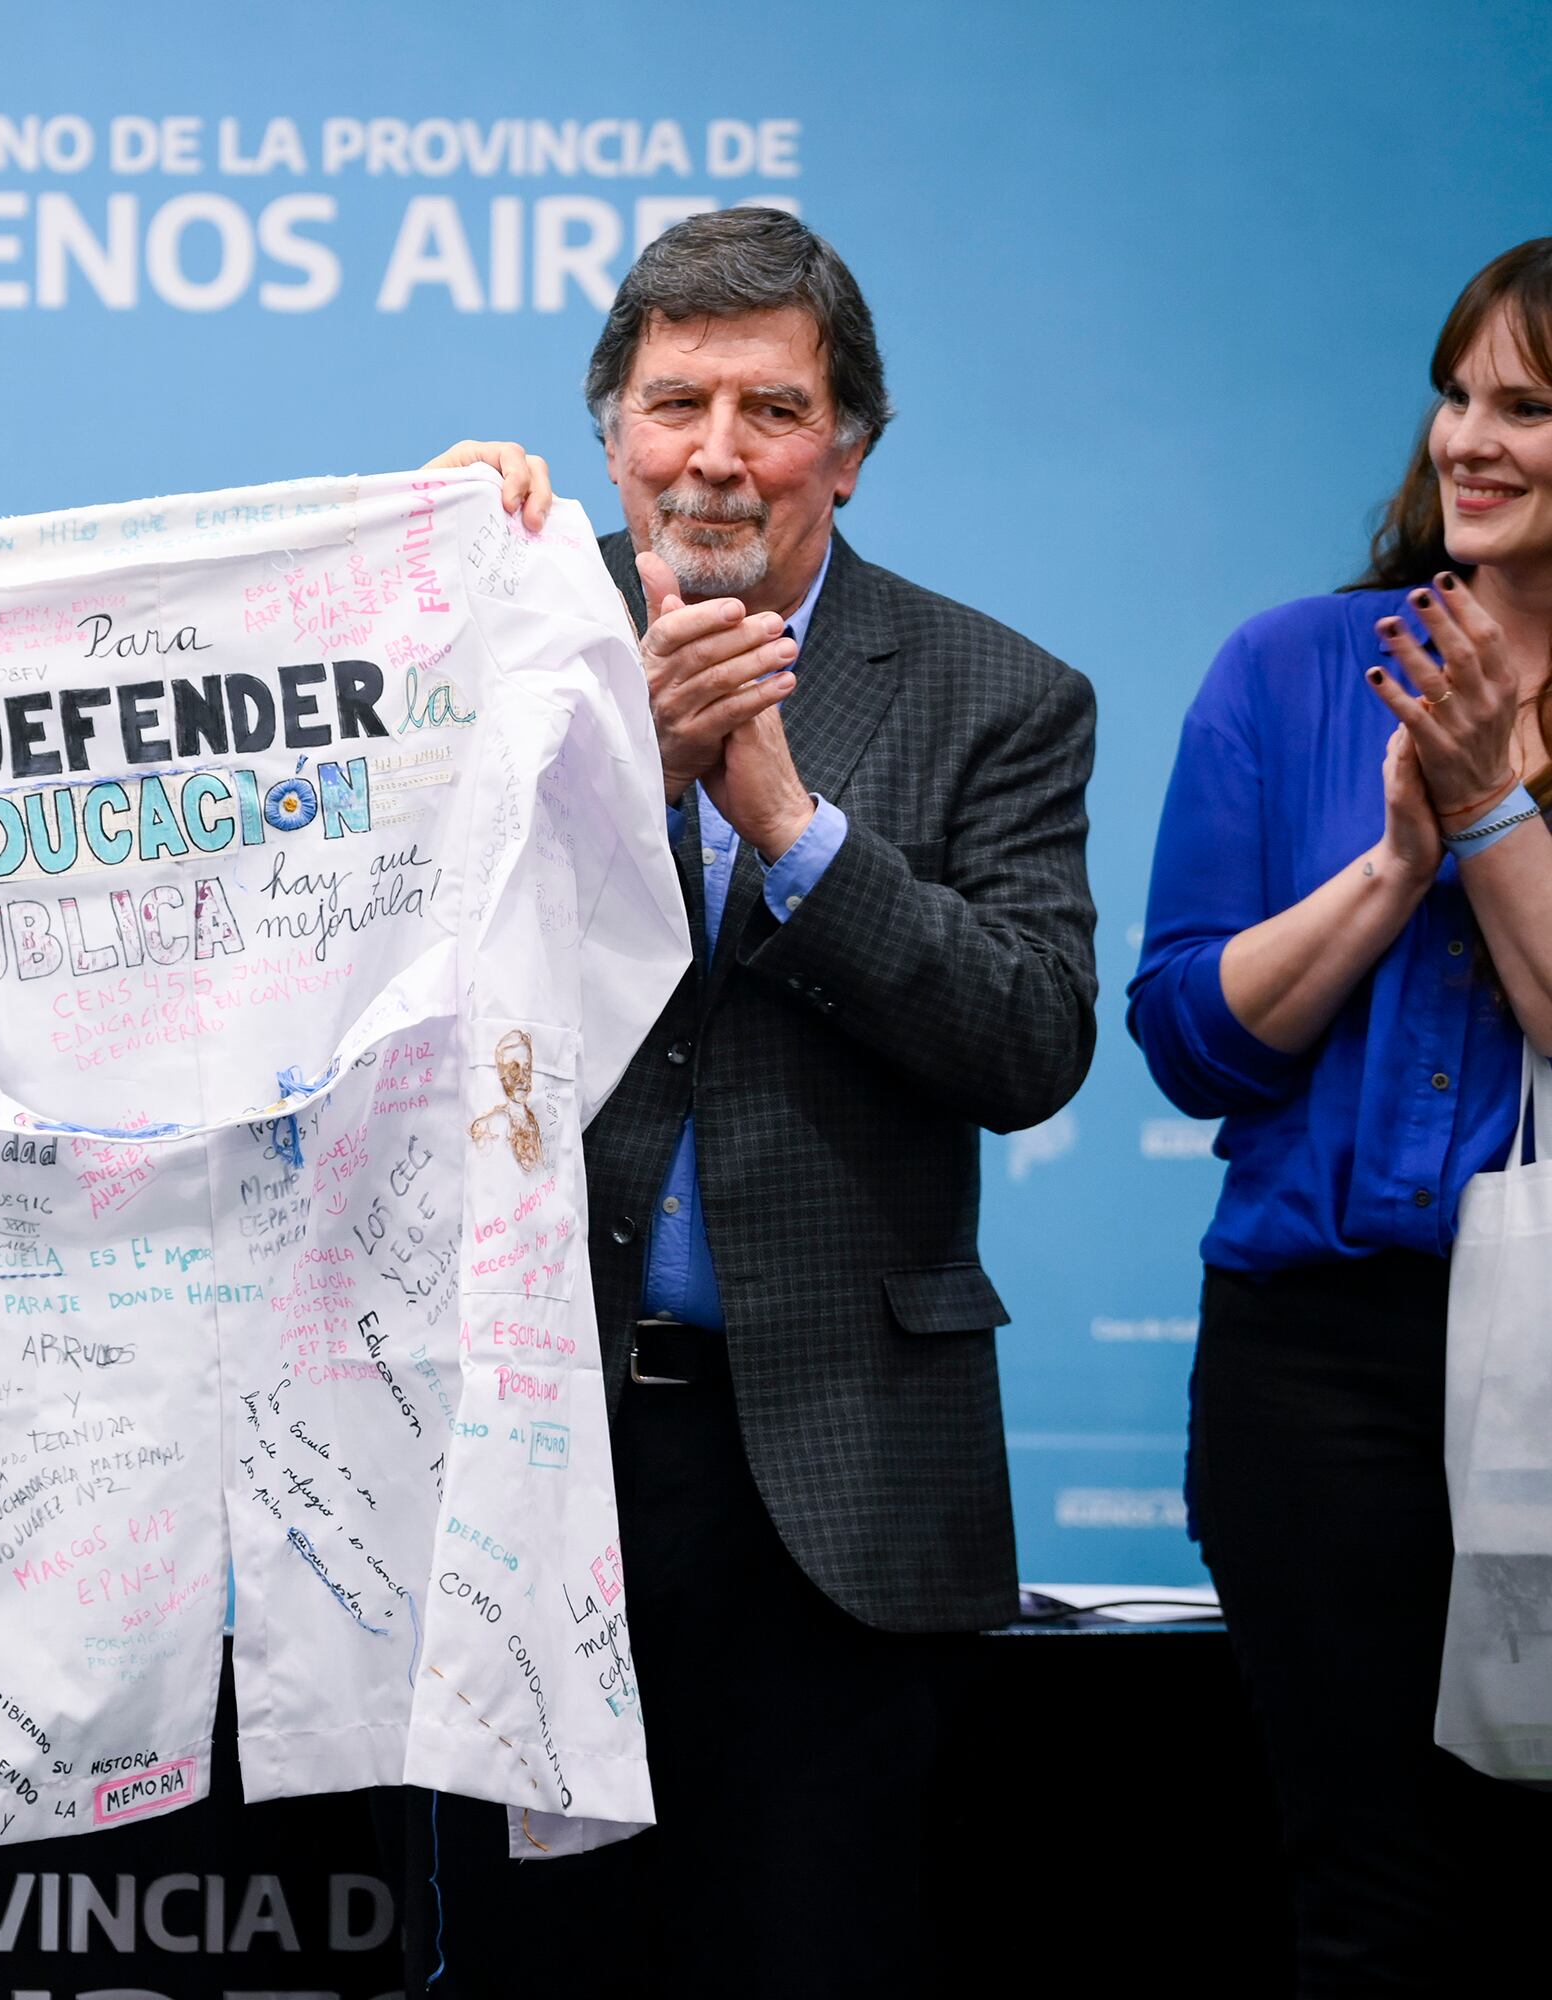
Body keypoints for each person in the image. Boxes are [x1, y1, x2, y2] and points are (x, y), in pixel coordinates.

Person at [414, 206, 1100, 1993]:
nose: (717, 452)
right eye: (674, 402)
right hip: (532, 1461)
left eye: (772, 409)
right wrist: (602, 777)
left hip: (847, 1485)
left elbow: (1032, 1042)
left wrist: (793, 828)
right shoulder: (486, 665)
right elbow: (382, 1007)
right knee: (533, 1975)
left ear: (849, 452)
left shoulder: (997, 694)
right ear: (611, 435)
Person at [1127, 235, 1552, 1990]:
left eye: (1527, 405)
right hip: (1319, 1372)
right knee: (1370, 1900)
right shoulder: (1291, 669)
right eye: (1457, 394)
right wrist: (1394, 864)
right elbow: (1187, 1040)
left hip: (1538, 1350)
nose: (1470, 438)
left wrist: (1493, 813)